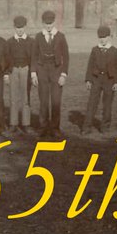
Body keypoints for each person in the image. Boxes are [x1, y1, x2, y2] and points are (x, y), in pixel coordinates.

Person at [33, 10, 70, 138]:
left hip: (56, 71)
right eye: (46, 24)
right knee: (43, 100)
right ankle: (43, 127)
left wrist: (63, 74)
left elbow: (66, 56)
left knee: (55, 100)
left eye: (50, 23)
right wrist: (33, 73)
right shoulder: (38, 37)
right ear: (43, 23)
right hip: (42, 70)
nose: (48, 26)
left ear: (54, 22)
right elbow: (34, 55)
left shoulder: (61, 36)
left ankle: (55, 127)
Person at [84, 25, 117, 134]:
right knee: (92, 103)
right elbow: (90, 65)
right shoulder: (95, 50)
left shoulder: (114, 51)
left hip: (109, 80)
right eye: (100, 37)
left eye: (104, 37)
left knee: (107, 104)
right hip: (96, 79)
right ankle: (87, 127)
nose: (102, 39)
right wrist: (88, 79)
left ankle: (105, 127)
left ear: (109, 37)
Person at [5, 16, 35, 134]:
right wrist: (7, 73)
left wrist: (33, 73)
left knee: (25, 97)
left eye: (21, 27)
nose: (20, 30)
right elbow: (7, 59)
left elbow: (33, 58)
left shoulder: (31, 42)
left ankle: (26, 123)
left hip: (26, 70)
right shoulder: (10, 42)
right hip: (13, 70)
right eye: (18, 28)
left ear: (25, 27)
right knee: (13, 98)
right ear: (14, 28)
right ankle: (13, 123)